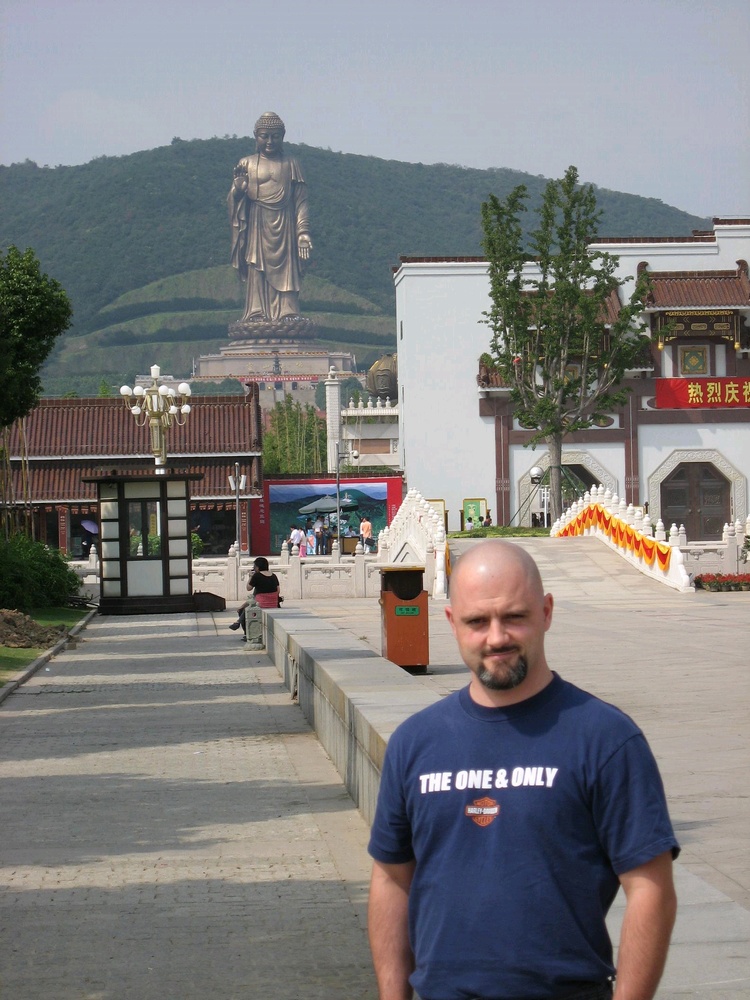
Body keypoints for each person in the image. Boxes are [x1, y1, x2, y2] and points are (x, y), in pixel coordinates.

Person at [368, 540, 678, 1000]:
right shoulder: (415, 744)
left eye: (514, 617)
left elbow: (651, 889)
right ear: (453, 623)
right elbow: (392, 880)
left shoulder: (605, 739)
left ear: (547, 612)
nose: (497, 638)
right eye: (477, 622)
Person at [228, 111, 312, 322]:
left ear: (282, 137)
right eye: (264, 136)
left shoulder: (291, 164)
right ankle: (256, 312)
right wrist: (238, 192)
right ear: (256, 136)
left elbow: (301, 201)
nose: (269, 141)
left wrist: (302, 233)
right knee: (256, 266)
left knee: (287, 268)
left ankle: (288, 312)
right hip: (257, 221)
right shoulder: (246, 163)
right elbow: (234, 202)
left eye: (275, 136)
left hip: (285, 223)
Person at [229, 557, 281, 637]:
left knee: (242, 610)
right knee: (252, 599)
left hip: (260, 604)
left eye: (254, 566)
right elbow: (278, 590)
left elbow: (248, 588)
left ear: (257, 567)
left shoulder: (257, 576)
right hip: (273, 603)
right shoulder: (273, 576)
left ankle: (248, 633)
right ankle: (238, 622)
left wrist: (250, 577)